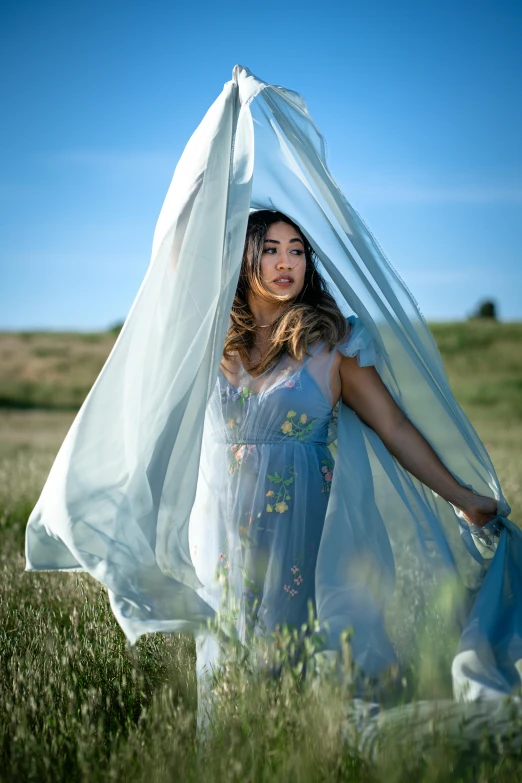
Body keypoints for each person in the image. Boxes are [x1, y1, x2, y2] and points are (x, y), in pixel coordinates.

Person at [25, 66, 521, 710]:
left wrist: (462, 496)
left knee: (296, 671)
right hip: (220, 532)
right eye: (270, 248)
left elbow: (396, 429)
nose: (287, 262)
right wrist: (220, 136)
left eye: (297, 251)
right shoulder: (210, 340)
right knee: (226, 677)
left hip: (301, 539)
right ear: (242, 257)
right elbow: (178, 241)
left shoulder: (336, 343)